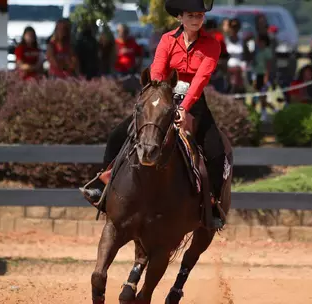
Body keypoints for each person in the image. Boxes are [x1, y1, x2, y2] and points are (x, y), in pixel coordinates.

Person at [81, 0, 226, 230]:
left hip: (194, 103)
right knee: (117, 135)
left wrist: (184, 107)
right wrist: (160, 96)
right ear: (180, 17)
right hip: (164, 99)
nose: (196, 19)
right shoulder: (168, 40)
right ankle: (103, 183)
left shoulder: (212, 45)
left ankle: (212, 204)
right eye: (191, 14)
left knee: (217, 151)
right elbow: (157, 70)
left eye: (199, 15)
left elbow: (200, 80)